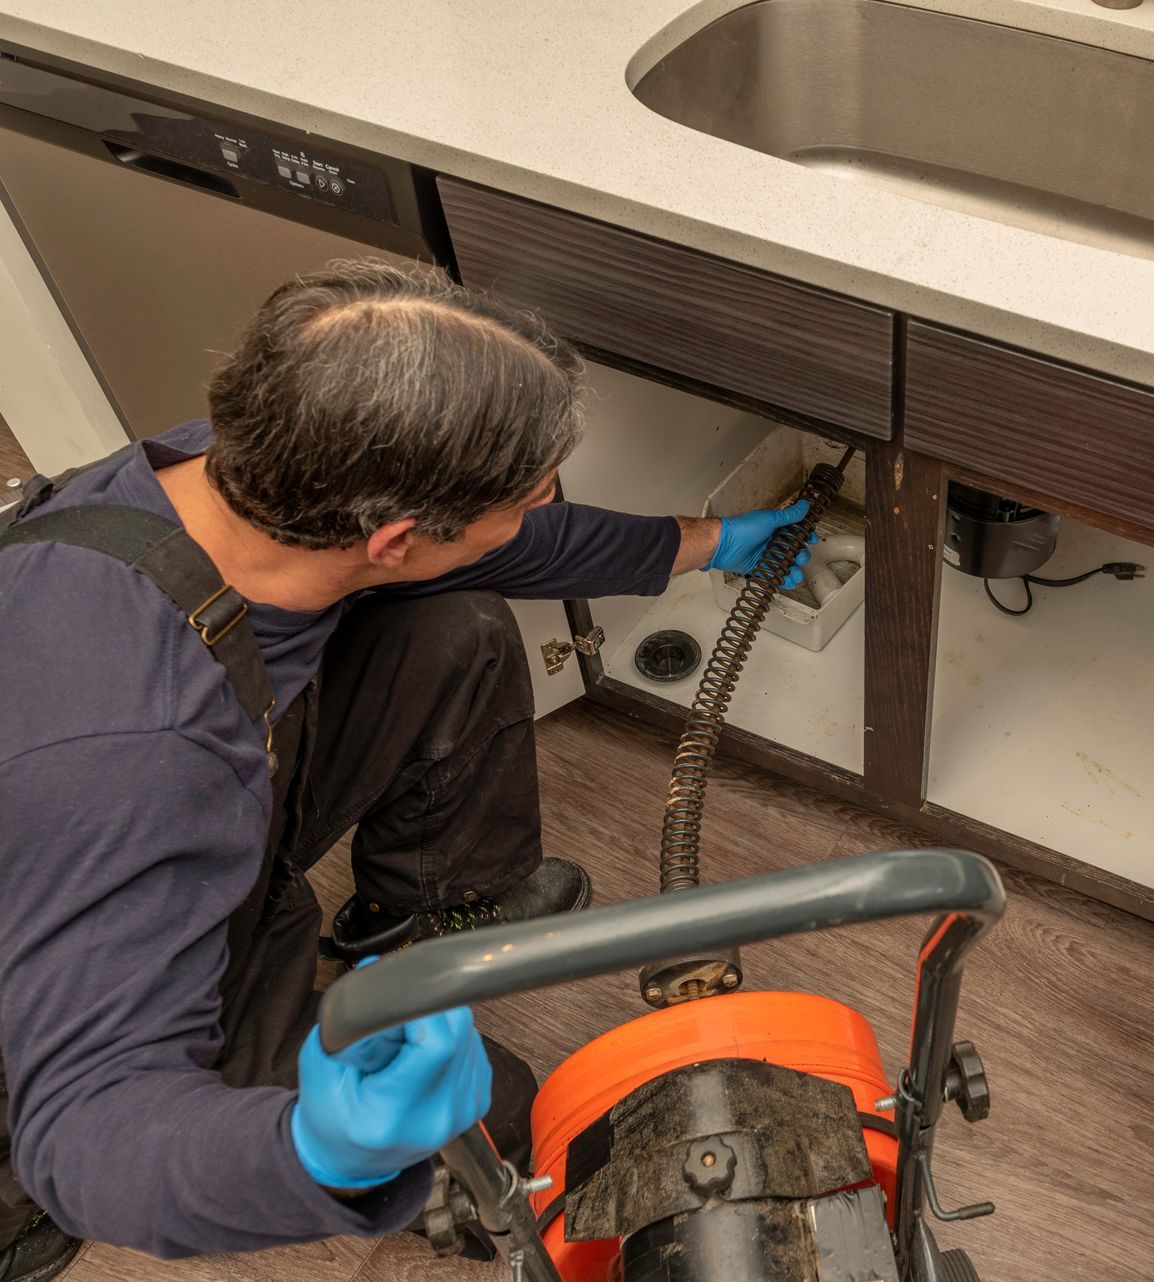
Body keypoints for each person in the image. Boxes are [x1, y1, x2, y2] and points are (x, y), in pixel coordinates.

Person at [0, 259, 817, 1280]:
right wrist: (319, 1152)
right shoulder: (135, 764)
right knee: (507, 1107)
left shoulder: (238, 471)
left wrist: (706, 543)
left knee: (455, 628)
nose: (544, 506)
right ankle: (520, 1225)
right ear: (392, 538)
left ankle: (418, 910)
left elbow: (499, 553)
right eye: (525, 497)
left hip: (210, 780)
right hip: (94, 975)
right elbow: (81, 1129)